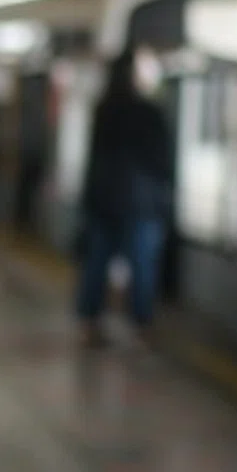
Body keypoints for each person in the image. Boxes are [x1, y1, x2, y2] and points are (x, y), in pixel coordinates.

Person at [75, 44, 174, 346]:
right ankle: (141, 324)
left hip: (103, 200)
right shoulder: (150, 112)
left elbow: (94, 158)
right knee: (141, 265)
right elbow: (162, 163)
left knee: (97, 263)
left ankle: (90, 320)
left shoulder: (104, 109)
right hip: (141, 203)